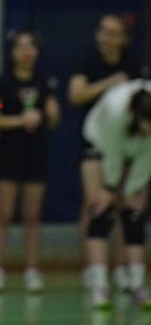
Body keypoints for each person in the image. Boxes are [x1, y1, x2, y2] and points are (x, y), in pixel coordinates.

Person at [0, 31, 60, 293]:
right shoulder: (1, 82)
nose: (27, 51)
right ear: (12, 52)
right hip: (8, 155)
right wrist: (19, 120)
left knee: (32, 215)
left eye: (32, 46)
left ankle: (31, 269)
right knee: (3, 215)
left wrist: (50, 114)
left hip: (36, 155)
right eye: (21, 47)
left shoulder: (44, 81)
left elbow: (53, 119)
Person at [68, 14, 139, 291]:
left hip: (125, 145)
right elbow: (76, 96)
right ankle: (94, 269)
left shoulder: (134, 65)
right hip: (95, 143)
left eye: (113, 33)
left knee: (123, 202)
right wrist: (108, 83)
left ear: (123, 39)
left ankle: (122, 267)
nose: (106, 37)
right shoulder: (88, 62)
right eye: (102, 31)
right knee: (96, 203)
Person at [82, 79, 151, 309]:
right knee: (101, 212)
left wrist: (132, 190)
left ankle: (137, 285)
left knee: (134, 215)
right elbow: (112, 155)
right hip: (99, 144)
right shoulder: (115, 111)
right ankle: (99, 287)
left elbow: (148, 157)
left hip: (136, 150)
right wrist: (110, 189)